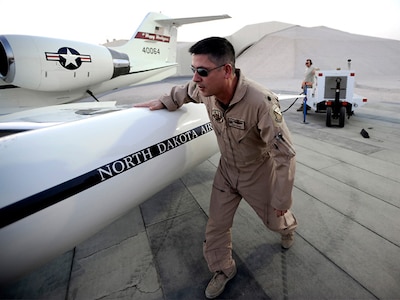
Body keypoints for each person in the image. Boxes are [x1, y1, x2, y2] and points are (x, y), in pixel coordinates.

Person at [135, 37, 298, 299]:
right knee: (216, 226)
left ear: (227, 71)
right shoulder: (204, 89)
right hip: (226, 171)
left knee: (274, 220)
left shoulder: (261, 102)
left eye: (202, 71)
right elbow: (185, 91)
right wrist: (165, 102)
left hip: (257, 172)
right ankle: (223, 269)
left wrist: (282, 197)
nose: (196, 78)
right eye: (193, 70)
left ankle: (287, 227)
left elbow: (285, 154)